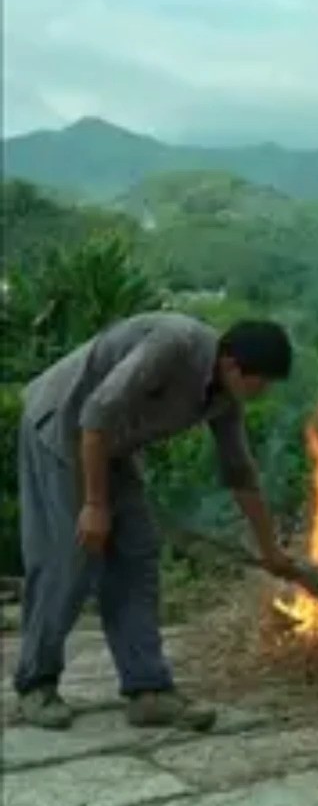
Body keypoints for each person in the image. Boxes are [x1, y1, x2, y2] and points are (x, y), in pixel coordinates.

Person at [13, 312, 297, 733]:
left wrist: (270, 550)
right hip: (61, 431)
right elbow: (94, 415)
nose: (264, 391)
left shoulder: (223, 397)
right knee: (69, 559)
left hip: (112, 446)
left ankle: (148, 691)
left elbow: (239, 471)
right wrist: (94, 504)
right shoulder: (173, 345)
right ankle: (36, 684)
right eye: (263, 381)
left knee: (138, 554)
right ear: (234, 365)